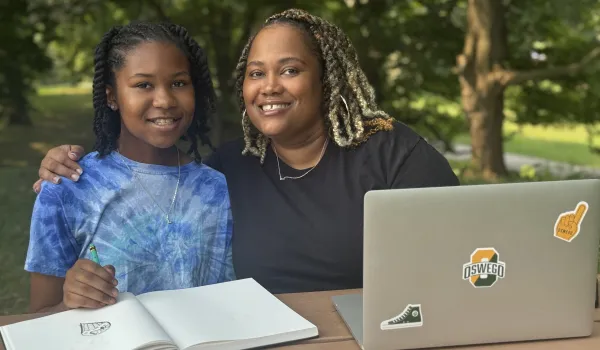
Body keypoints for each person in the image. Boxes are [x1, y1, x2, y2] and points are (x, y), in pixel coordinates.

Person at [33, 9, 458, 295]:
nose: (270, 86)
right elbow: (148, 173)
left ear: (326, 80)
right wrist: (62, 167)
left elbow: (460, 271)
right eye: (257, 73)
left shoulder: (393, 155)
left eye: (290, 70)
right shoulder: (228, 169)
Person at [26, 22, 234, 313]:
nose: (164, 100)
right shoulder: (67, 188)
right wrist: (69, 302)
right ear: (112, 97)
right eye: (143, 85)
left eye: (178, 83)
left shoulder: (218, 189)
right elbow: (38, 316)